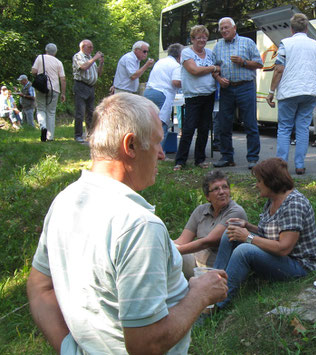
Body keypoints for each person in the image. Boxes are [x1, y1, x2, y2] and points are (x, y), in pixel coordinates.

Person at [27, 93, 228, 354]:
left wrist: (69, 348)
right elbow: (146, 345)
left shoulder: (66, 201)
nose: (161, 155)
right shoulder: (139, 226)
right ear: (130, 145)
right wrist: (200, 295)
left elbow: (39, 286)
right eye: (157, 142)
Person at [213, 157, 316, 307]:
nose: (256, 185)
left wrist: (248, 237)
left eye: (259, 181)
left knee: (245, 250)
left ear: (271, 181)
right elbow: (271, 233)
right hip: (281, 256)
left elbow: (284, 248)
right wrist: (248, 226)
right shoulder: (273, 199)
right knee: (230, 233)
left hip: (299, 265)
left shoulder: (294, 204)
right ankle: (212, 285)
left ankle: (218, 303)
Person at [267, 13, 316, 175]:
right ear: (307, 28)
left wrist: (271, 92)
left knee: (284, 128)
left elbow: (278, 69)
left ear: (291, 29)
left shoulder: (285, 43)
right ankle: (300, 165)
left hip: (289, 92)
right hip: (309, 92)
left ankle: (281, 166)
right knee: (303, 129)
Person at [174, 170, 247, 279]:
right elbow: (182, 240)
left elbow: (208, 241)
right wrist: (168, 247)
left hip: (215, 269)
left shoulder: (236, 212)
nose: (222, 192)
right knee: (166, 247)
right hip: (195, 262)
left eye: (225, 187)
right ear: (207, 196)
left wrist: (172, 252)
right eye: (216, 189)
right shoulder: (201, 210)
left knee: (171, 254)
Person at [212, 17, 263, 169]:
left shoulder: (247, 42)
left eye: (226, 27)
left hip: (245, 87)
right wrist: (219, 79)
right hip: (227, 89)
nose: (224, 30)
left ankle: (253, 158)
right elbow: (214, 68)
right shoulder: (218, 46)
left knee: (250, 123)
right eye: (221, 28)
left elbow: (259, 63)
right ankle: (227, 157)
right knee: (224, 125)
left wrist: (244, 62)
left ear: (234, 28)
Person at [174, 26, 219, 170]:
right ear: (192, 39)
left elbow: (217, 70)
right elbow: (194, 71)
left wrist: (216, 72)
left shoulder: (211, 54)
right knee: (188, 129)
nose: (202, 40)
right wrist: (212, 68)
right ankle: (180, 161)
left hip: (209, 94)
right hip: (193, 96)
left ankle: (200, 159)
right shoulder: (187, 52)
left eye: (204, 37)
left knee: (204, 129)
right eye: (198, 37)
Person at [143, 43, 183, 146]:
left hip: (148, 92)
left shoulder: (160, 61)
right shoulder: (176, 66)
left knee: (150, 124)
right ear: (180, 55)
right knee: (162, 125)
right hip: (162, 94)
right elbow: (176, 82)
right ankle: (159, 154)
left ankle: (147, 152)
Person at [31, 43, 66, 142]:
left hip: (41, 87)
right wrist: (63, 93)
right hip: (54, 88)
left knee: (41, 109)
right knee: (51, 112)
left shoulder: (40, 58)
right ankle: (50, 137)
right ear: (55, 52)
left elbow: (33, 71)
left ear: (46, 50)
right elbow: (63, 79)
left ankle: (43, 127)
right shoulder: (58, 62)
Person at [72, 39, 104, 143]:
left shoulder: (90, 58)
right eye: (90, 47)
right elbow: (83, 67)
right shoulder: (78, 56)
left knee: (91, 112)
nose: (92, 49)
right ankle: (78, 135)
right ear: (83, 47)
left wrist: (101, 63)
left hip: (90, 87)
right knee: (80, 112)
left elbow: (98, 74)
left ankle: (90, 135)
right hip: (81, 85)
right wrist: (95, 58)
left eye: (92, 47)